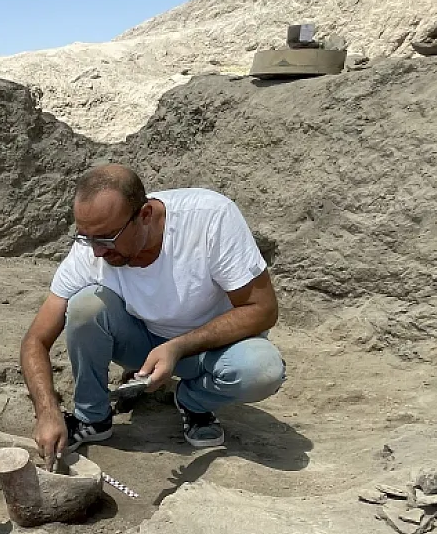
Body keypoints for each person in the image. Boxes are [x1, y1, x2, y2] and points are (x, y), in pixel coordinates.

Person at [20, 164, 285, 456]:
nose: (97, 251)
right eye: (86, 237)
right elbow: (36, 340)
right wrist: (47, 411)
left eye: (106, 238)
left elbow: (262, 309)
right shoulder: (92, 249)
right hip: (143, 347)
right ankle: (92, 417)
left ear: (144, 216)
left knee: (263, 370)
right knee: (85, 307)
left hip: (212, 349)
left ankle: (194, 401)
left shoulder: (209, 219)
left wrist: (178, 347)